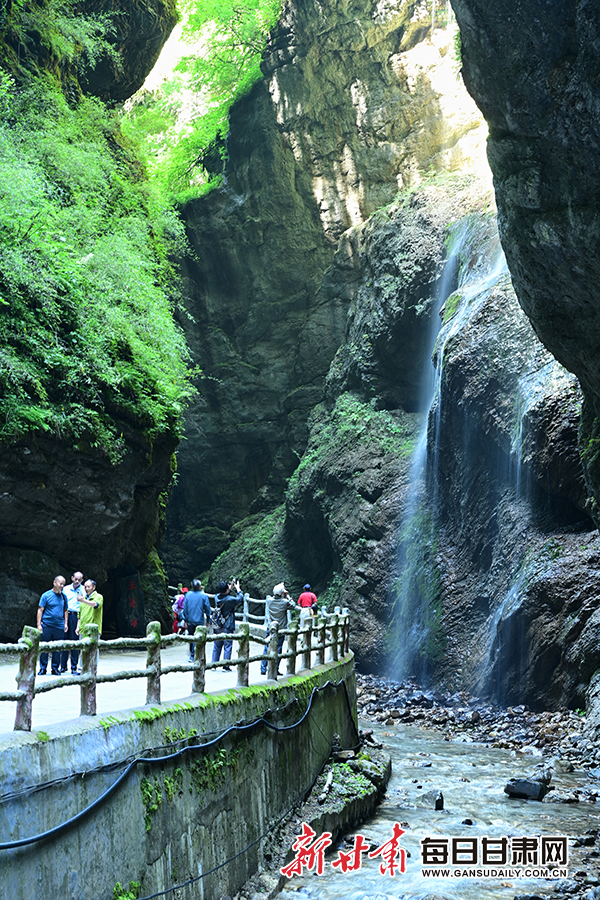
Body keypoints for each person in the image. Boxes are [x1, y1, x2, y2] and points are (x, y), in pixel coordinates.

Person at [261, 582, 296, 676]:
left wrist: (280, 588)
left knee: (266, 647)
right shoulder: (284, 602)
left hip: (270, 627)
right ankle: (275, 668)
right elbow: (293, 605)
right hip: (280, 628)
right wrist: (287, 595)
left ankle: (263, 668)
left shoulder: (269, 600)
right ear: (282, 593)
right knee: (278, 648)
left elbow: (274, 593)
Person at [37, 576, 68, 675]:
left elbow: (66, 610)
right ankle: (43, 668)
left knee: (57, 648)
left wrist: (66, 623)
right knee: (44, 647)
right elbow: (40, 610)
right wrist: (39, 624)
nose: (62, 586)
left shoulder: (64, 597)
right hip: (47, 625)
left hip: (59, 626)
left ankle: (55, 668)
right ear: (54, 582)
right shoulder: (46, 595)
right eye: (60, 583)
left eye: (63, 584)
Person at [211, 578, 243, 671]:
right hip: (227, 625)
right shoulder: (230, 600)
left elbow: (222, 594)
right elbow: (239, 598)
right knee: (227, 645)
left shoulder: (217, 597)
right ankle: (225, 665)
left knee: (217, 645)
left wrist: (230, 588)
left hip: (218, 625)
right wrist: (238, 588)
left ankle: (214, 664)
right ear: (226, 590)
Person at [60, 570, 84, 674]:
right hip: (66, 615)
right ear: (72, 578)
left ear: (82, 580)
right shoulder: (65, 589)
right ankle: (63, 666)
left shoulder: (84, 590)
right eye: (76, 579)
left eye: (79, 579)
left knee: (75, 642)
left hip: (77, 616)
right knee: (65, 641)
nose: (77, 581)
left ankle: (74, 666)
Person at [183, 580, 211, 662]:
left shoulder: (188, 595)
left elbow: (185, 609)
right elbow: (207, 609)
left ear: (192, 586)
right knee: (197, 638)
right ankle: (194, 655)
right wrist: (208, 620)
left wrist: (185, 620)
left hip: (190, 620)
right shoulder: (203, 596)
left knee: (191, 636)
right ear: (199, 586)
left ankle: (192, 655)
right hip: (199, 620)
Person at [77, 580, 104, 665]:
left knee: (94, 649)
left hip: (94, 628)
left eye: (88, 587)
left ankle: (93, 668)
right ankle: (81, 668)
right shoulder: (83, 599)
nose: (86, 589)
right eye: (85, 587)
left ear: (94, 587)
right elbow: (79, 615)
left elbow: (95, 605)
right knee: (82, 648)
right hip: (82, 627)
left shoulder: (99, 596)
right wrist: (77, 627)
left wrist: (83, 600)